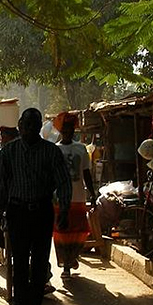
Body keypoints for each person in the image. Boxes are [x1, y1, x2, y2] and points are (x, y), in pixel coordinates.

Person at [0, 108, 72, 305]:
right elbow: (1, 189)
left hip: (41, 212)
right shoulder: (8, 152)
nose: (28, 130)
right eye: (25, 126)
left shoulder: (51, 152)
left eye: (33, 126)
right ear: (19, 126)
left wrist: (64, 210)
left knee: (39, 264)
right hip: (17, 212)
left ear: (39, 127)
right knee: (18, 263)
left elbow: (63, 182)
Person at [53, 112, 97, 279]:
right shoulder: (55, 150)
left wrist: (92, 195)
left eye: (70, 129)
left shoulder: (81, 149)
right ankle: (66, 266)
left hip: (78, 197)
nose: (68, 132)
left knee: (80, 231)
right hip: (59, 198)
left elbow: (86, 173)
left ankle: (72, 257)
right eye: (65, 129)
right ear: (60, 131)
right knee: (61, 233)